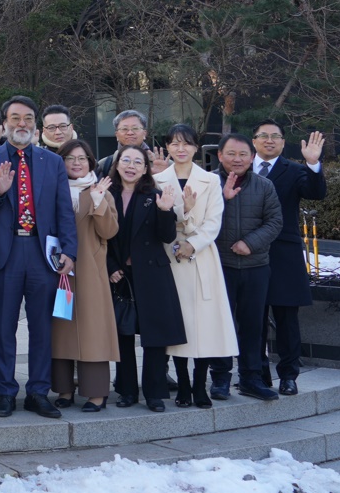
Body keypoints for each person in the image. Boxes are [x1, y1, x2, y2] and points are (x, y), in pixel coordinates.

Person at [0, 95, 76, 419]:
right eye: (15, 118)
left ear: (36, 124)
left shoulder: (52, 162)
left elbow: (64, 211)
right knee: (3, 328)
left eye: (28, 118)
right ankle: (5, 392)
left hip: (41, 253)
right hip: (4, 255)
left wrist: (69, 252)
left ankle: (37, 392)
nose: (22, 124)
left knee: (41, 327)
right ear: (4, 124)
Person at [105, 144, 184, 412]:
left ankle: (154, 393)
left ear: (145, 168)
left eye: (137, 162)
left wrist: (165, 211)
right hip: (120, 274)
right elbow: (97, 236)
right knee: (123, 333)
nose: (130, 165)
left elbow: (167, 237)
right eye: (125, 160)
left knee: (154, 335)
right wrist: (110, 265)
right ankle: (126, 391)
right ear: (116, 165)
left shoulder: (156, 194)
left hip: (152, 272)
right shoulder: (105, 193)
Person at [162, 124, 236, 410]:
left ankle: (200, 385)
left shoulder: (210, 180)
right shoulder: (158, 180)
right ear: (167, 147)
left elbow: (214, 222)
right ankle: (182, 384)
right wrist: (184, 214)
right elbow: (163, 222)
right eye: (175, 143)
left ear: (195, 147)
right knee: (179, 324)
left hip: (202, 257)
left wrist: (194, 243)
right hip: (171, 257)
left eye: (187, 143)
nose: (181, 149)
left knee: (203, 326)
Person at [253, 120, 327, 395]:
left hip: (283, 253)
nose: (269, 140)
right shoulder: (238, 169)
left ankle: (288, 375)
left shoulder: (295, 170)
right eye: (263, 136)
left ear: (283, 143)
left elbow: (316, 193)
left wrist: (313, 165)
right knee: (252, 318)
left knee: (286, 318)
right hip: (246, 253)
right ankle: (256, 373)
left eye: (275, 136)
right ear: (254, 141)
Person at [211, 133, 284, 402]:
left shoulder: (264, 186)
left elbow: (275, 222)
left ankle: (251, 378)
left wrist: (250, 243)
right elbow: (198, 220)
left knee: (253, 325)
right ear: (220, 156)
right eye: (231, 153)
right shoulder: (209, 183)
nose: (237, 159)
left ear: (252, 157)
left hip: (255, 265)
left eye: (243, 154)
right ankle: (220, 377)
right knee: (221, 323)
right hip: (220, 266)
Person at [53, 140, 118, 412]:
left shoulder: (100, 189)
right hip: (59, 270)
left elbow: (110, 231)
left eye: (82, 158)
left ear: (91, 161)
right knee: (60, 330)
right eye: (70, 158)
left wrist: (98, 201)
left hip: (91, 271)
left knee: (93, 332)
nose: (76, 163)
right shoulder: (53, 189)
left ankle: (96, 394)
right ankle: (64, 389)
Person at [98, 110, 169, 178]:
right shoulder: (104, 165)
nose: (130, 133)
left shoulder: (167, 164)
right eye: (124, 129)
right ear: (116, 135)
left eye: (135, 128)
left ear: (144, 133)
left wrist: (161, 176)